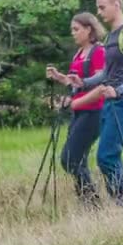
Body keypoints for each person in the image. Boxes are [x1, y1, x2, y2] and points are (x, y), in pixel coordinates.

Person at [68, 0, 123, 212]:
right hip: (111, 103)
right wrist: (83, 83)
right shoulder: (112, 37)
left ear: (117, 5)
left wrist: (121, 90)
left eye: (102, 7)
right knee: (107, 156)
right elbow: (106, 73)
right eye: (98, 7)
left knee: (107, 156)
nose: (99, 12)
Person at [46, 12, 106, 208]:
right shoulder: (79, 53)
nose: (73, 33)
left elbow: (100, 80)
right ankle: (90, 205)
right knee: (77, 160)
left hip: (94, 112)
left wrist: (73, 98)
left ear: (89, 29)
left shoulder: (98, 51)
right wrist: (59, 77)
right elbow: (75, 83)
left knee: (69, 159)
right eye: (72, 29)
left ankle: (92, 202)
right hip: (78, 111)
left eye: (76, 29)